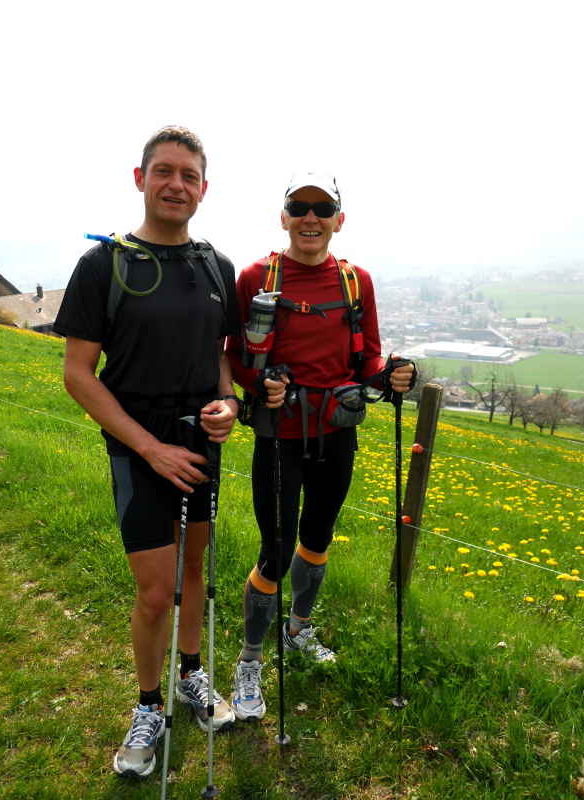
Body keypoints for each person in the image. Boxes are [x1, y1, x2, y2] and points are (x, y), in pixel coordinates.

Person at [53, 126, 241, 777]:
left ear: (204, 189)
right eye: (164, 171)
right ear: (141, 178)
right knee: (157, 592)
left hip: (200, 445)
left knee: (194, 573)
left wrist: (229, 404)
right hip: (139, 450)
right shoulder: (103, 266)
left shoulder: (217, 267)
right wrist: (151, 449)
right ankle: (148, 704)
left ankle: (191, 674)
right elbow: (78, 374)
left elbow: (219, 355)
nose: (176, 184)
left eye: (189, 176)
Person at [225, 171, 415, 720]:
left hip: (337, 430)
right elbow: (235, 356)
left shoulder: (357, 282)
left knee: (318, 535)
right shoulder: (256, 277)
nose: (311, 217)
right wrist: (258, 382)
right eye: (300, 207)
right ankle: (250, 660)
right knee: (275, 549)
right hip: (278, 434)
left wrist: (391, 373)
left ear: (339, 220)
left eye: (323, 208)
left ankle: (298, 630)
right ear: (283, 218)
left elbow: (368, 356)